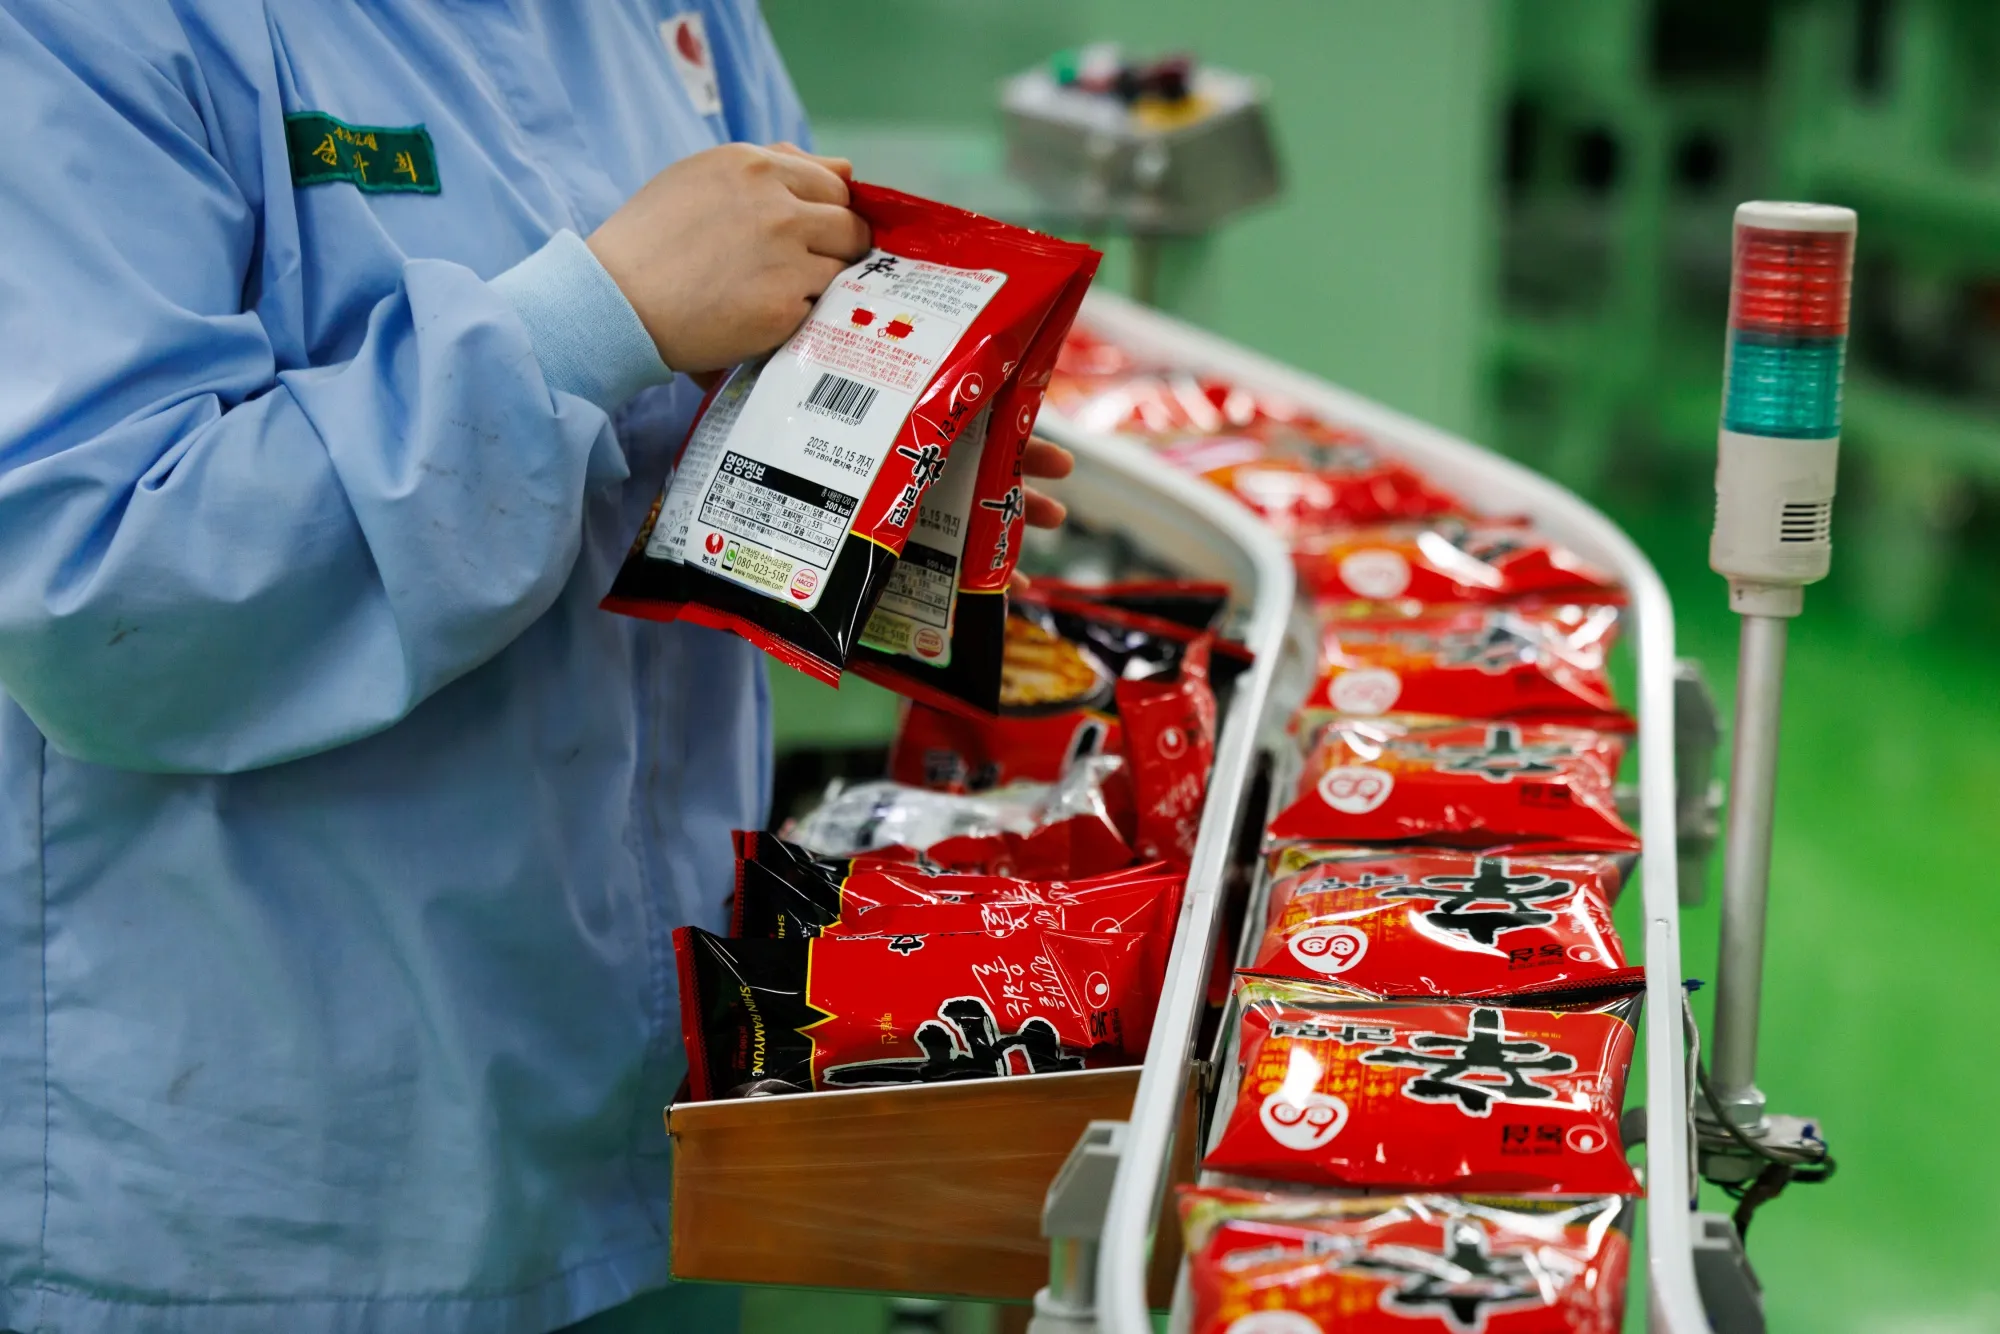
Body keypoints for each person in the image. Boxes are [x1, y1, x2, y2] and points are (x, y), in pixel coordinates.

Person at [0, 4, 1072, 1332]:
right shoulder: (85, 31)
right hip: (285, 1190)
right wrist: (587, 324)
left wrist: (898, 465)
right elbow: (100, 588)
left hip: (656, 1109)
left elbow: (748, 379)